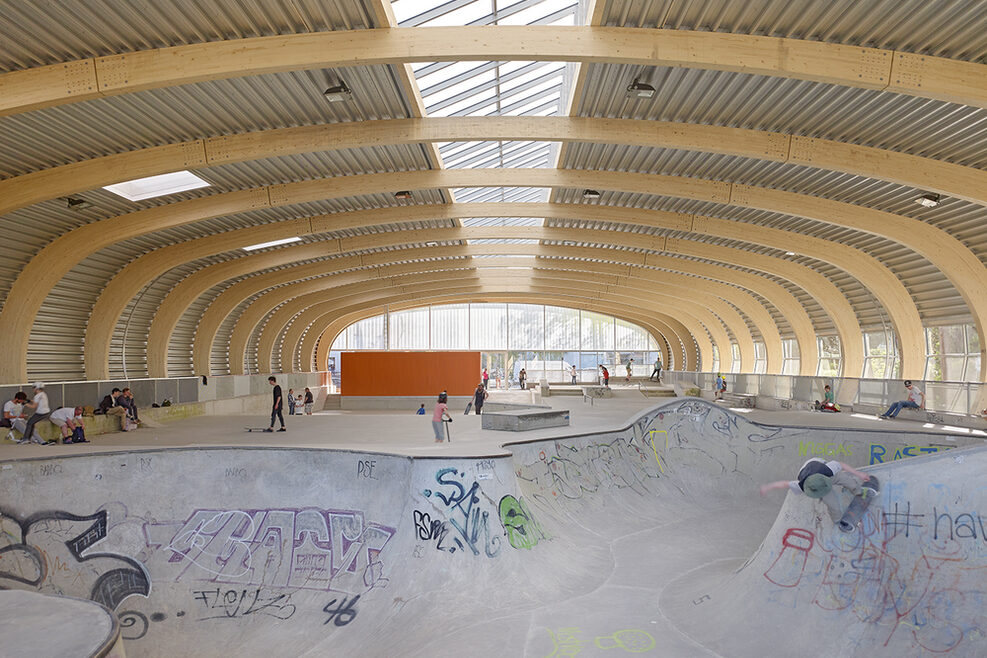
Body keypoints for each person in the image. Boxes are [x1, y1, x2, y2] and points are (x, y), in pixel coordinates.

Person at [760, 458, 874, 523]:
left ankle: (858, 491)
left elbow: (842, 465)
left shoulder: (829, 469)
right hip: (812, 478)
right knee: (833, 505)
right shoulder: (801, 485)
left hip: (823, 473)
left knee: (846, 480)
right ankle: (837, 521)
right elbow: (784, 484)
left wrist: (859, 474)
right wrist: (768, 487)